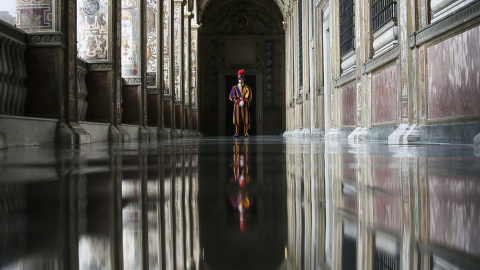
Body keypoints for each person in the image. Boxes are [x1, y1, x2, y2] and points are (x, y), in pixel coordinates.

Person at [229, 69, 253, 137]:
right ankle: (236, 132)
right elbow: (232, 96)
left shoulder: (247, 87)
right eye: (240, 79)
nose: (241, 80)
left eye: (242, 79)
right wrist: (238, 101)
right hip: (237, 104)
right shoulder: (234, 87)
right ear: (238, 79)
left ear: (244, 80)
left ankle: (246, 132)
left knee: (246, 119)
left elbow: (249, 95)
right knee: (236, 119)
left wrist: (244, 101)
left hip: (245, 104)